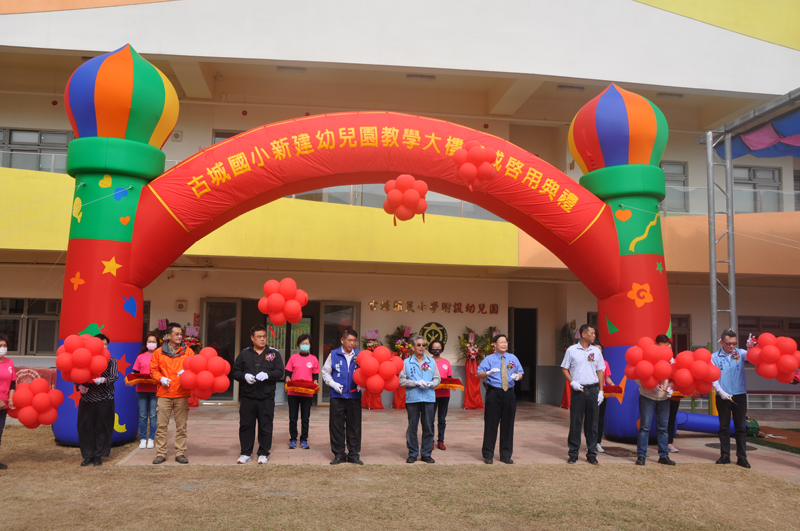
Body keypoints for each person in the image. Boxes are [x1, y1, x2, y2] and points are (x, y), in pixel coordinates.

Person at [231, 325, 284, 464]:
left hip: (266, 397)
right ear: (252, 338)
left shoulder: (273, 353)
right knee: (246, 425)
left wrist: (268, 375)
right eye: (259, 336)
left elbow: (280, 372)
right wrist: (245, 376)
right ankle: (245, 452)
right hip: (248, 396)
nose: (262, 339)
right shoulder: (244, 354)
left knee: (265, 425)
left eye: (264, 336)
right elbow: (235, 372)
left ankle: (263, 453)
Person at [150, 323, 194, 465]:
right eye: (177, 334)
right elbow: (153, 370)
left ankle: (180, 452)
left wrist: (187, 372)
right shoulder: (158, 352)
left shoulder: (188, 351)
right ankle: (161, 453)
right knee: (161, 425)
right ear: (168, 336)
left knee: (181, 425)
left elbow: (195, 367)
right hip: (164, 393)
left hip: (181, 393)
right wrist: (160, 378)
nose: (180, 336)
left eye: (181, 334)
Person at [477, 334, 523, 464]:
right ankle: (488, 454)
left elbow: (521, 373)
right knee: (491, 423)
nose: (504, 344)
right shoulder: (489, 359)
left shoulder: (512, 358)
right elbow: (478, 374)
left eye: (505, 342)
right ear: (494, 345)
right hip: (494, 393)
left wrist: (517, 377)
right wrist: (488, 373)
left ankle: (506, 454)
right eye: (501, 342)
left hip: (509, 393)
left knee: (508, 425)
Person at [561, 324, 604, 465]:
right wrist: (572, 382)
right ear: (583, 334)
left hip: (593, 389)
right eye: (592, 333)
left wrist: (601, 390)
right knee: (576, 422)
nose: (594, 335)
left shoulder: (596, 351)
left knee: (592, 424)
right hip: (578, 389)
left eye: (595, 333)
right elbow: (564, 368)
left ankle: (591, 453)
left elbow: (600, 371)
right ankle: (573, 453)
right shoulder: (572, 350)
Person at [321, 328, 363, 465]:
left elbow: (367, 373)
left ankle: (353, 454)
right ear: (342, 340)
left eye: (354, 341)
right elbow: (325, 372)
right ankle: (339, 454)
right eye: (349, 340)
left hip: (354, 396)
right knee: (336, 426)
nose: (352, 343)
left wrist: (363, 385)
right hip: (337, 396)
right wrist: (333, 384)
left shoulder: (360, 356)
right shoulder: (333, 354)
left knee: (354, 426)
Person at [711, 329, 752, 468]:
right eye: (728, 343)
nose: (732, 346)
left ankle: (742, 457)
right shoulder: (714, 356)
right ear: (722, 342)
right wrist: (720, 391)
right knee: (724, 427)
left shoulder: (740, 353)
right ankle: (725, 455)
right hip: (723, 395)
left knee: (740, 427)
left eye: (734, 343)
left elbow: (752, 357)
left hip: (739, 394)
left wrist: (751, 347)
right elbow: (712, 376)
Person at [77, 333, 118, 466]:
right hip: (87, 399)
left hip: (104, 400)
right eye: (101, 343)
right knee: (85, 427)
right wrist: (79, 386)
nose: (104, 346)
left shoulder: (111, 360)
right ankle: (88, 455)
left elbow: (114, 376)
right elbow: (77, 374)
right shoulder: (84, 358)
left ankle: (99, 455)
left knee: (103, 427)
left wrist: (104, 380)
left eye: (106, 344)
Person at [399, 336, 441, 464]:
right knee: (412, 426)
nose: (422, 347)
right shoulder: (406, 362)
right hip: (413, 398)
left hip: (428, 397)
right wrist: (415, 382)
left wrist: (430, 384)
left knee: (428, 426)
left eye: (423, 345)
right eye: (419, 345)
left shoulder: (431, 361)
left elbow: (437, 379)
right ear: (413, 347)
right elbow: (401, 381)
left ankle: (426, 453)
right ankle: (412, 453)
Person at [635, 336, 676, 467]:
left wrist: (671, 388)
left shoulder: (671, 360)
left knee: (663, 428)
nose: (664, 349)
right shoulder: (648, 356)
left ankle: (663, 456)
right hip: (647, 396)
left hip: (664, 398)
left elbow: (675, 377)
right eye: (661, 346)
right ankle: (641, 455)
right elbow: (637, 375)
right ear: (655, 344)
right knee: (645, 427)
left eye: (666, 346)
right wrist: (649, 384)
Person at [285, 334, 319, 450]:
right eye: (303, 343)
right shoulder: (293, 358)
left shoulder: (313, 359)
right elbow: (288, 372)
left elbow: (315, 375)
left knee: (305, 418)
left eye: (307, 343)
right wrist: (287, 378)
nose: (305, 345)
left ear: (310, 345)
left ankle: (304, 439)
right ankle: (293, 439)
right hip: (293, 393)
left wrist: (315, 381)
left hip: (307, 393)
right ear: (299, 345)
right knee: (293, 417)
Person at [132, 333, 159, 449]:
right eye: (150, 341)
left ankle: (151, 438)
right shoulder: (140, 356)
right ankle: (143, 438)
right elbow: (135, 373)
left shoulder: (160, 356)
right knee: (143, 416)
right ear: (146, 343)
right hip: (141, 390)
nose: (151, 344)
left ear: (157, 343)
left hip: (155, 390)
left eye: (154, 341)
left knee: (153, 415)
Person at [654, 335, 681, 453]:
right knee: (660, 419)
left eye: (670, 348)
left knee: (671, 418)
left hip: (673, 394)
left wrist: (671, 387)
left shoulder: (675, 362)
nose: (667, 351)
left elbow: (678, 378)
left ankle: (669, 442)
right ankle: (660, 442)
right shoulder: (655, 360)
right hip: (658, 394)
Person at [429, 340, 451, 450]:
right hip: (431, 394)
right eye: (434, 348)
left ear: (442, 349)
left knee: (442, 419)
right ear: (431, 349)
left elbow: (450, 378)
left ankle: (441, 441)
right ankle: (430, 440)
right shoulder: (428, 362)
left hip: (445, 394)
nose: (437, 350)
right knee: (430, 419)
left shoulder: (446, 362)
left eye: (439, 347)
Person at [594, 341, 614, 454]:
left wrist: (612, 385)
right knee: (591, 418)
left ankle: (598, 442)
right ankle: (590, 442)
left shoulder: (605, 363)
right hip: (591, 391)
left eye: (600, 349)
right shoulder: (589, 362)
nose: (598, 350)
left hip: (602, 393)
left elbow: (607, 378)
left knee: (600, 418)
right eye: (596, 348)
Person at [0, 334, 16, 470]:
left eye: (4, 346)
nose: (3, 348)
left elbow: (12, 383)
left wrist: (10, 399)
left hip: (4, 404)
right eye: (0, 346)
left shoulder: (9, 362)